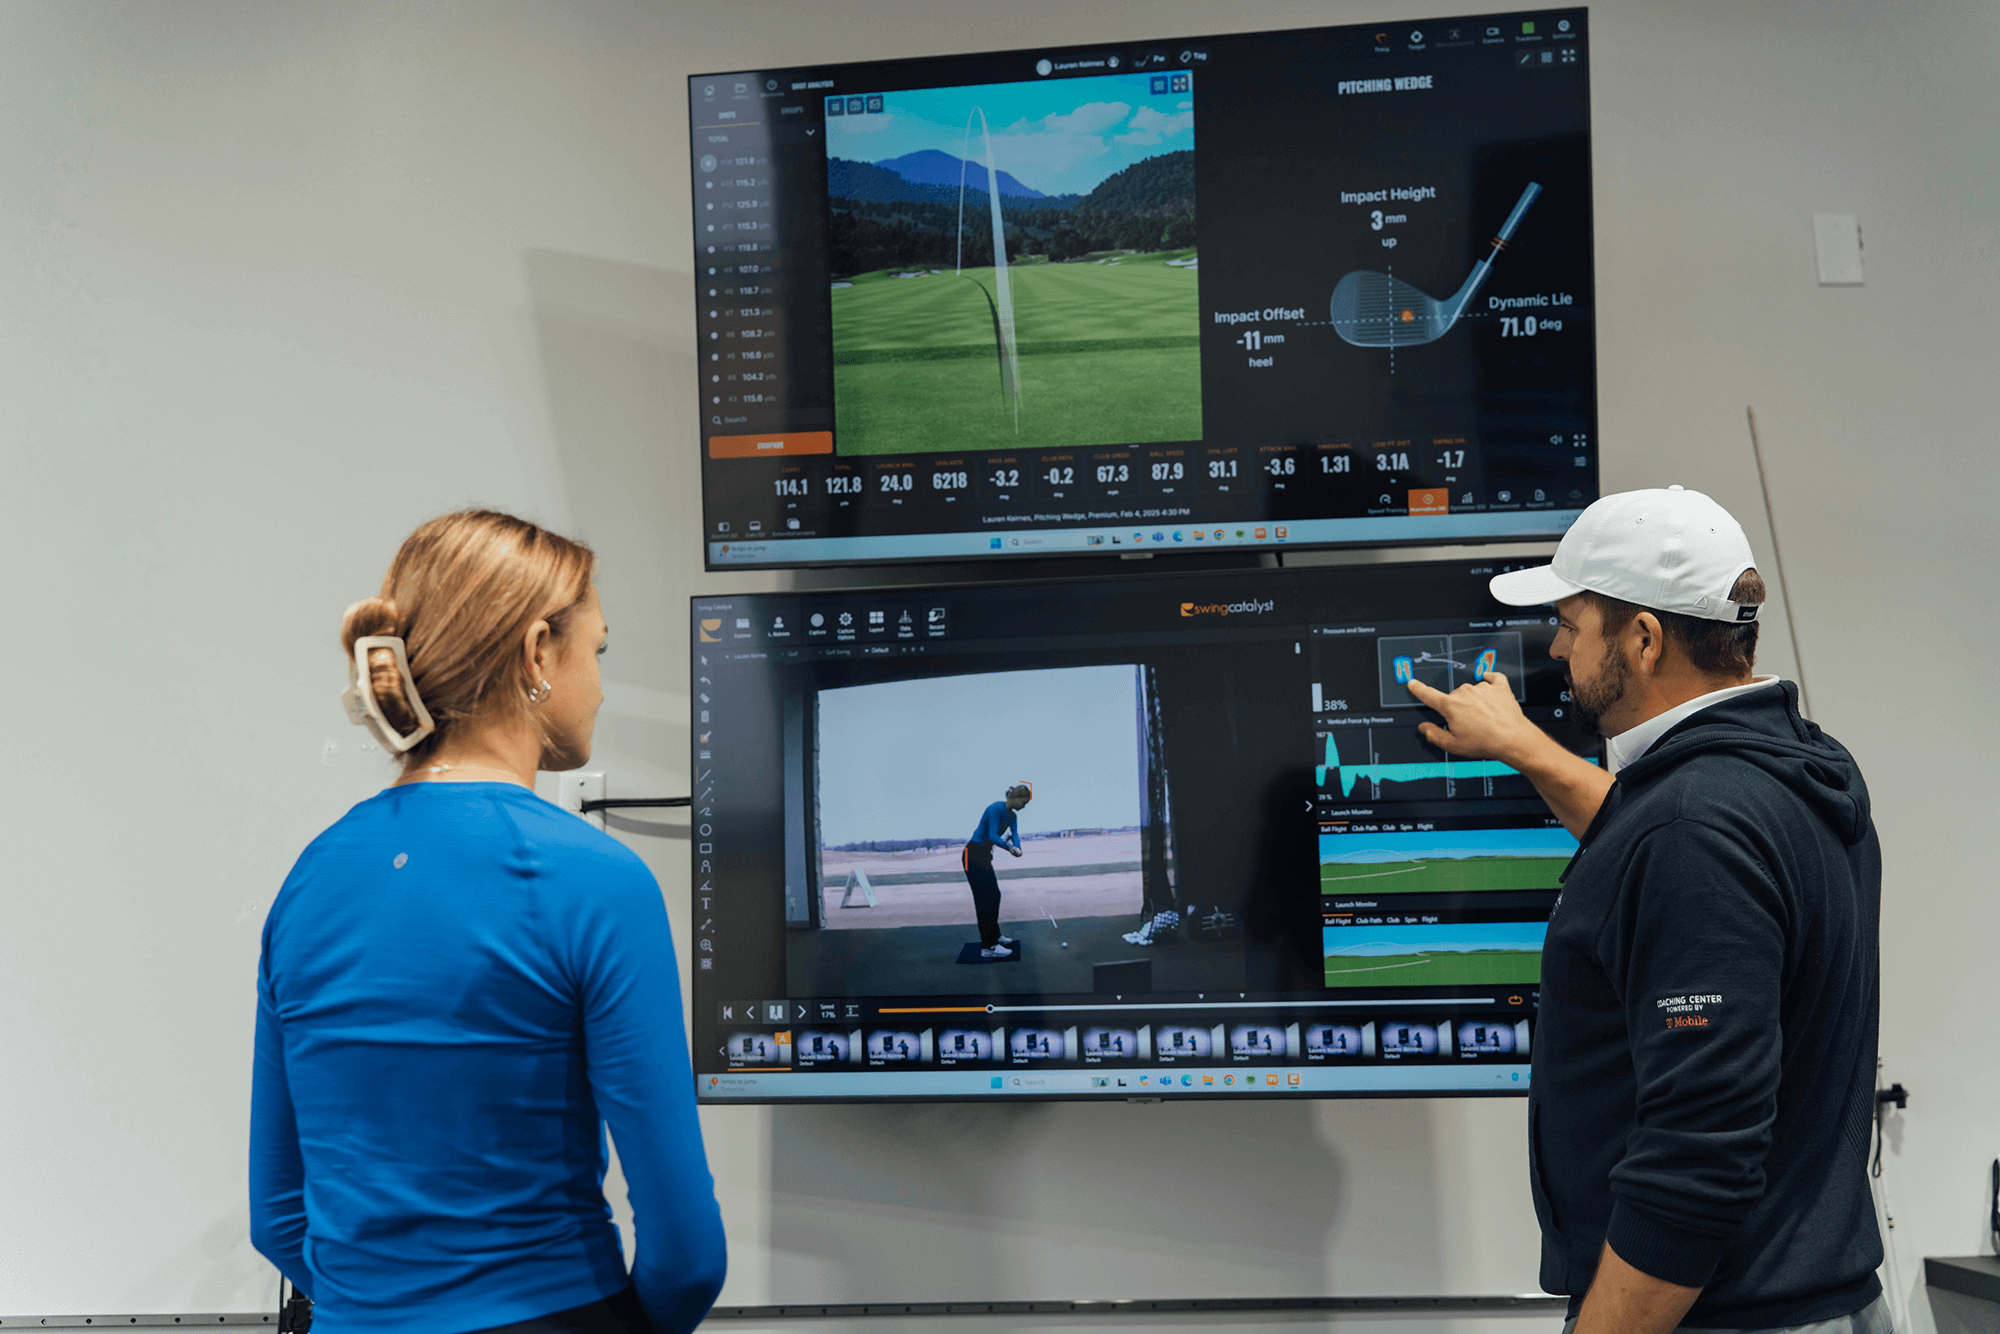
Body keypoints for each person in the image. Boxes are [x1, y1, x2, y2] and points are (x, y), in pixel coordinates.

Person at [1408, 487, 1884, 1334]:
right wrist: (1524, 747)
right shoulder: (1788, 768)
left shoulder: (1694, 827)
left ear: (1644, 638)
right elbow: (1650, 852)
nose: (1555, 648)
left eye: (1569, 623)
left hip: (1725, 1317)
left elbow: (1697, 1166)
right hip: (1806, 1301)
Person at [249, 511, 726, 1334]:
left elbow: (278, 1219)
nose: (603, 685)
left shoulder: (310, 880)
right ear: (539, 651)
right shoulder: (596, 880)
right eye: (598, 650)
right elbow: (687, 1256)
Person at [962, 782, 1030, 959]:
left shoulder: (1012, 816)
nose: (1024, 806)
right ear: (1015, 798)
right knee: (984, 898)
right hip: (972, 855)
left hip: (983, 855)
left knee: (994, 895)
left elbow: (1015, 834)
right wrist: (1010, 849)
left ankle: (994, 935)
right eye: (1023, 802)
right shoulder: (995, 809)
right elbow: (993, 835)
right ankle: (988, 946)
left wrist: (1018, 847)